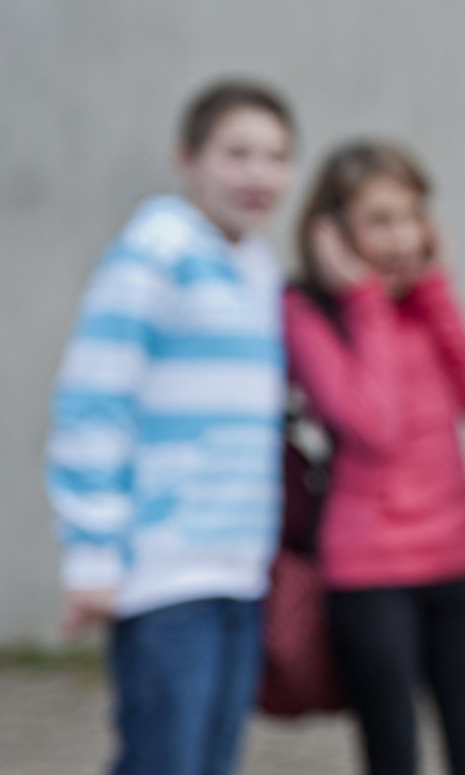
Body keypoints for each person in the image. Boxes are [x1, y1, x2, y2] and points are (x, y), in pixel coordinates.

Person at [46, 78, 297, 775]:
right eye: (236, 153)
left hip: (238, 571)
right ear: (186, 158)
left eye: (276, 156)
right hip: (162, 574)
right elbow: (92, 402)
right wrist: (92, 552)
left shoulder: (257, 267)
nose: (258, 173)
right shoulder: (153, 252)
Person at [283, 140, 465, 775]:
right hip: (370, 574)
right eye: (380, 220)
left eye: (412, 215)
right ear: (332, 231)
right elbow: (370, 425)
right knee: (393, 755)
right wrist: (364, 300)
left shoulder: (425, 308)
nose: (403, 237)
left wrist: (438, 296)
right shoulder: (308, 314)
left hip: (457, 560)